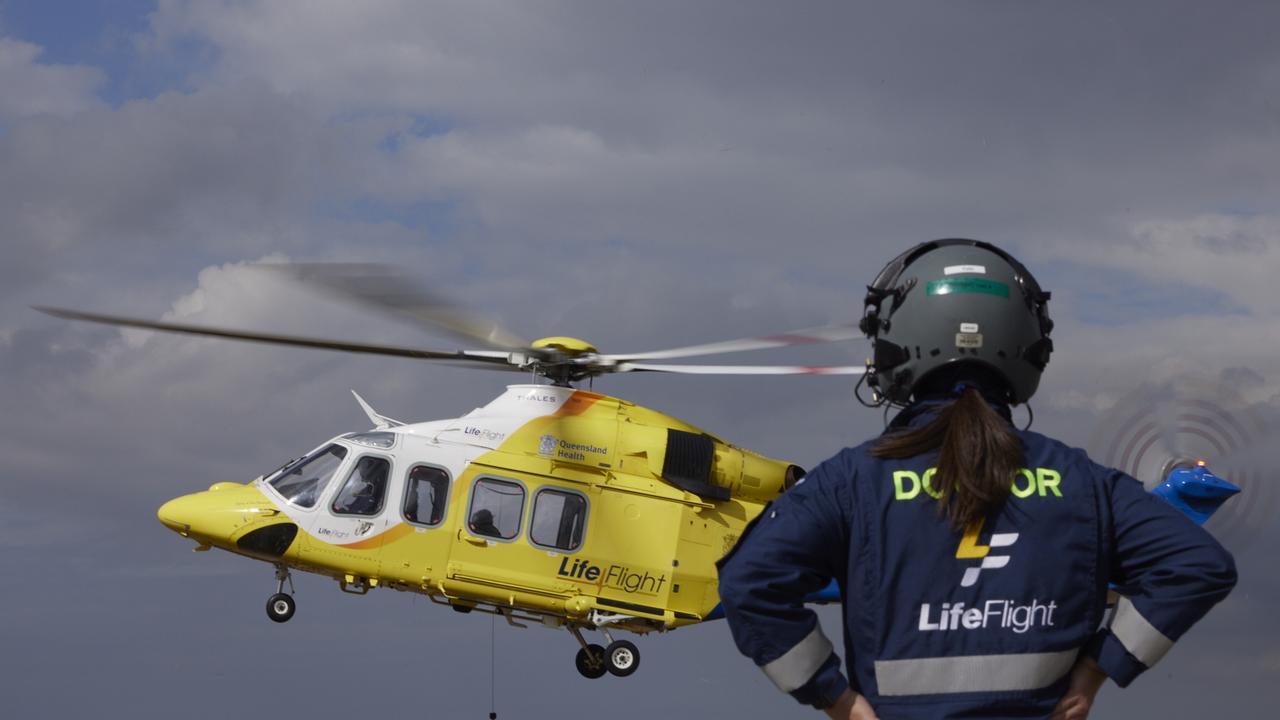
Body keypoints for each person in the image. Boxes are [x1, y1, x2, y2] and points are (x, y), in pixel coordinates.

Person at [717, 239, 1237, 719]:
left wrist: (836, 699)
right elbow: (1199, 565)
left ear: (892, 344)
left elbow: (749, 582)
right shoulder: (1081, 479)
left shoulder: (852, 481)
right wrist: (1098, 668)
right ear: (1030, 346)